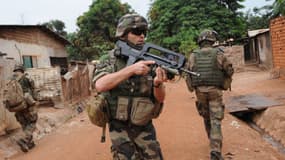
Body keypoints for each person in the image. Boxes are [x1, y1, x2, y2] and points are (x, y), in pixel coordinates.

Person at [93, 14, 168, 160]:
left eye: (144, 33)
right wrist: (131, 70)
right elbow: (100, 85)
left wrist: (158, 84)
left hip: (144, 125)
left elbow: (160, 98)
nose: (142, 36)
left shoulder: (149, 61)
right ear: (122, 35)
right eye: (137, 32)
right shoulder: (109, 60)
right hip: (118, 125)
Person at [185, 30, 234, 160]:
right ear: (212, 41)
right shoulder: (219, 54)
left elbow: (188, 73)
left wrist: (192, 88)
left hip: (200, 92)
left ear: (200, 41)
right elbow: (229, 71)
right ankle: (215, 150)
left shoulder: (193, 55)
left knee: (206, 118)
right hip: (215, 91)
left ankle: (211, 140)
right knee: (216, 120)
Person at [12, 65, 38, 152]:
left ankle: (29, 143)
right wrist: (36, 100)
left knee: (24, 124)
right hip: (27, 105)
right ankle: (23, 139)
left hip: (17, 107)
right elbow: (34, 89)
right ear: (22, 70)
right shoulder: (26, 78)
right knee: (32, 121)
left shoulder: (11, 80)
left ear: (15, 70)